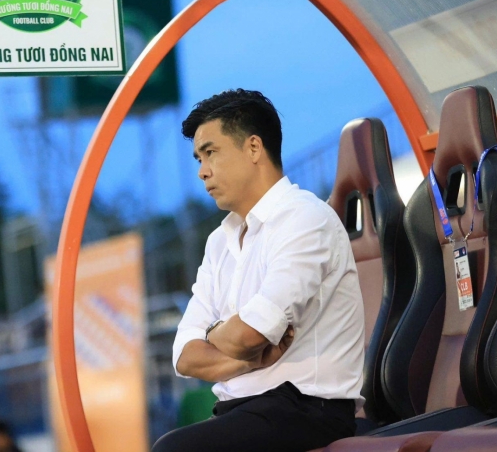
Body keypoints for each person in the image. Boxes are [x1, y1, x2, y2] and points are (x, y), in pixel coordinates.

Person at [153, 90, 365, 452]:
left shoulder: (305, 218)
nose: (202, 171)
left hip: (306, 409)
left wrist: (215, 334)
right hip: (243, 411)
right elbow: (185, 356)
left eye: (210, 152)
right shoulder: (219, 241)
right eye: (199, 158)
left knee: (171, 450)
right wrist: (248, 361)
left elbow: (249, 335)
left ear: (253, 148)